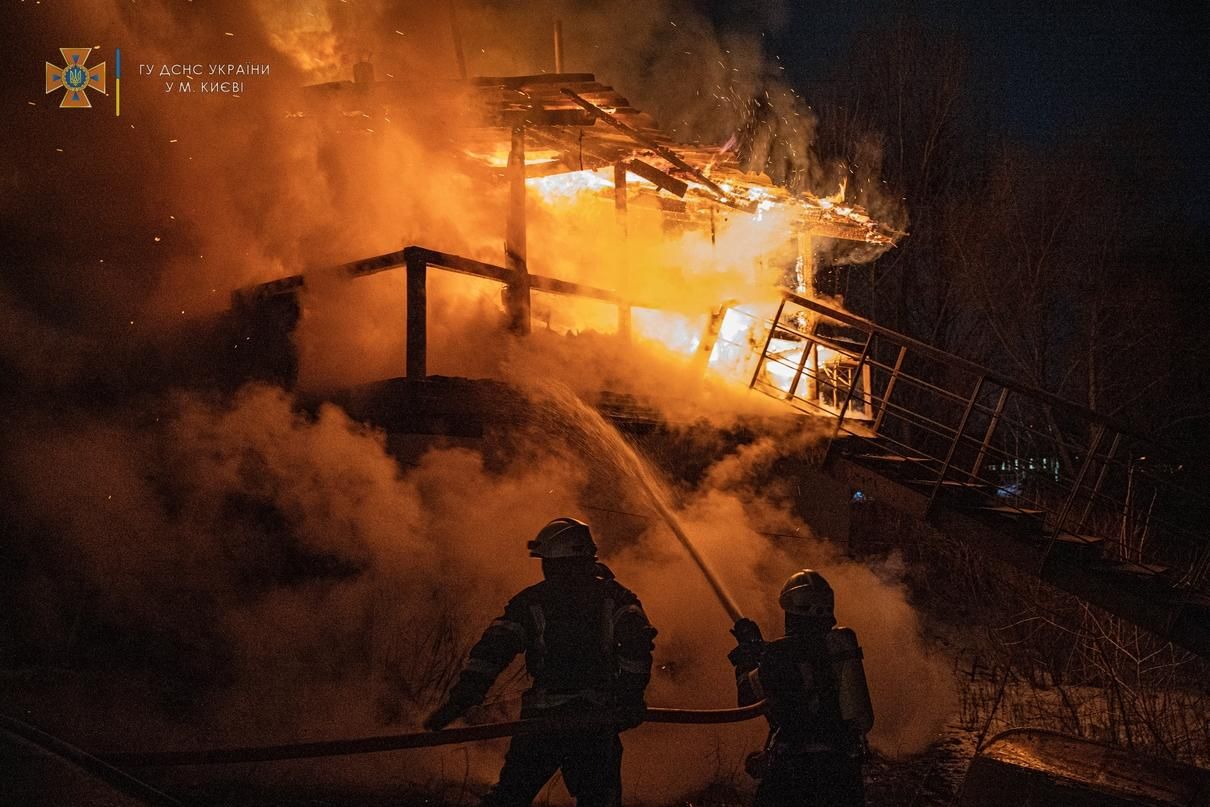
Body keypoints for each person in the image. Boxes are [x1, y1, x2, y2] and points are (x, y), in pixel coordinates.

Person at [425, 517, 657, 807]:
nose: (545, 568)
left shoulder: (532, 601)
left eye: (548, 562)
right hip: (594, 721)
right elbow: (636, 647)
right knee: (599, 800)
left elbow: (492, 650)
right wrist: (629, 697)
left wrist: (462, 697)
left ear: (561, 561)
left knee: (509, 798)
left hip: (546, 722)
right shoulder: (616, 598)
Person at [728, 569, 874, 807]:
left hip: (796, 774)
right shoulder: (838, 646)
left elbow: (747, 699)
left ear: (792, 610)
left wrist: (746, 656)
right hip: (843, 773)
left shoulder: (781, 653)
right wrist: (761, 650)